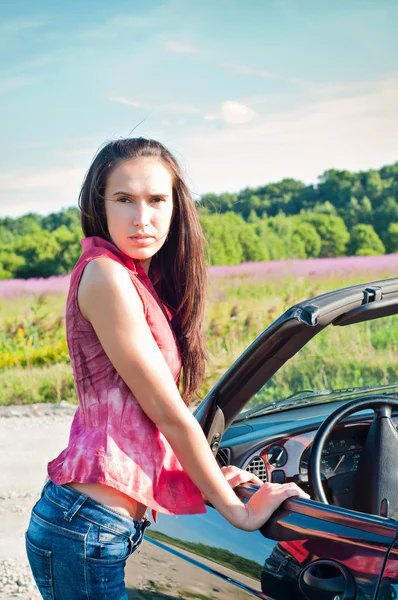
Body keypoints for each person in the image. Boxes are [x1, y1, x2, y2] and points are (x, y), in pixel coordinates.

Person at [25, 137, 309, 599]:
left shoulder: (138, 279)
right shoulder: (105, 275)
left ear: (175, 206)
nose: (142, 218)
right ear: (101, 207)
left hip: (101, 528)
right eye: (124, 200)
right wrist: (238, 514)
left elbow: (142, 426)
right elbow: (168, 413)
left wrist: (219, 477)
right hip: (85, 529)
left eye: (156, 199)